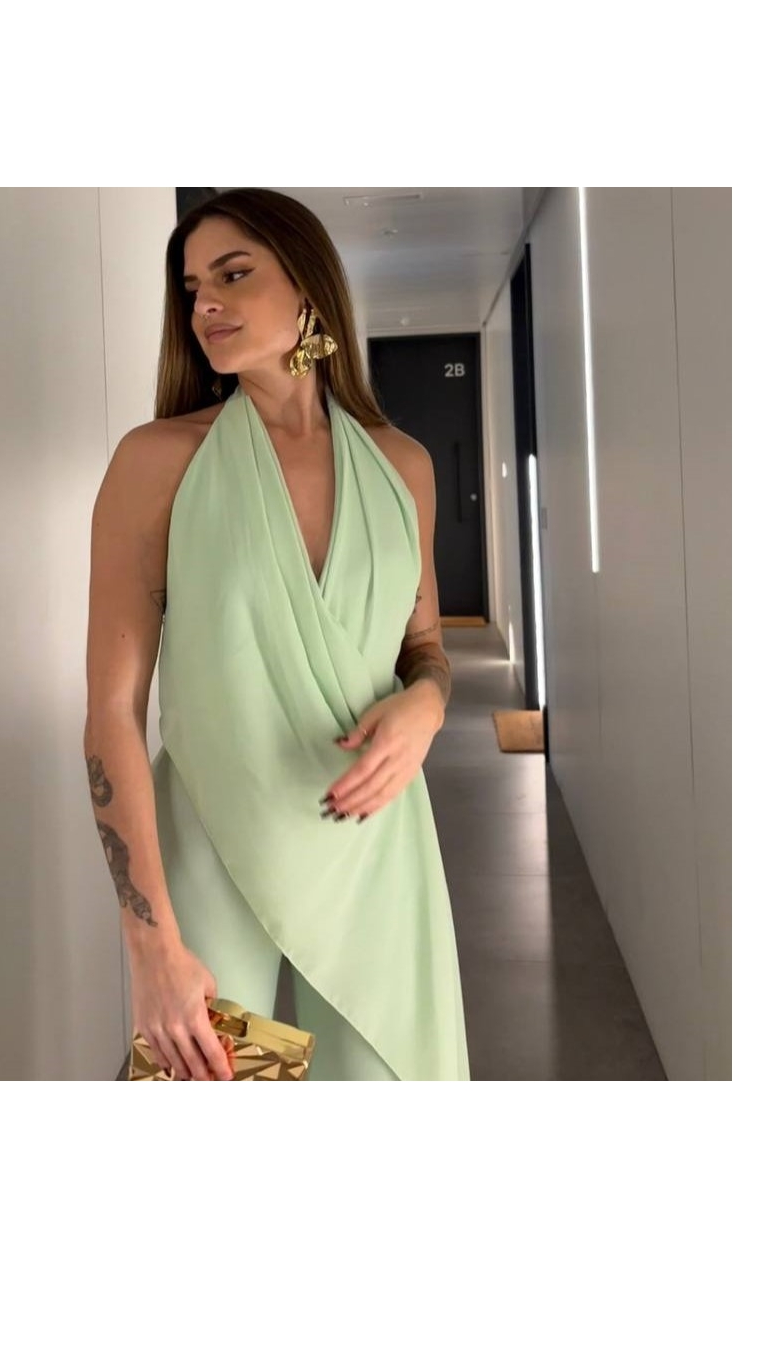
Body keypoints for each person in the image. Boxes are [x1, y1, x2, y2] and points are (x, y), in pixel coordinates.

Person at [84, 188, 471, 1081]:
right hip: (215, 853)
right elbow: (110, 714)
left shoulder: (402, 466)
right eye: (191, 288)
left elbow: (426, 652)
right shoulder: (158, 462)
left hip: (376, 849)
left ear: (308, 285)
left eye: (233, 274)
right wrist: (153, 946)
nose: (205, 305)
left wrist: (426, 706)